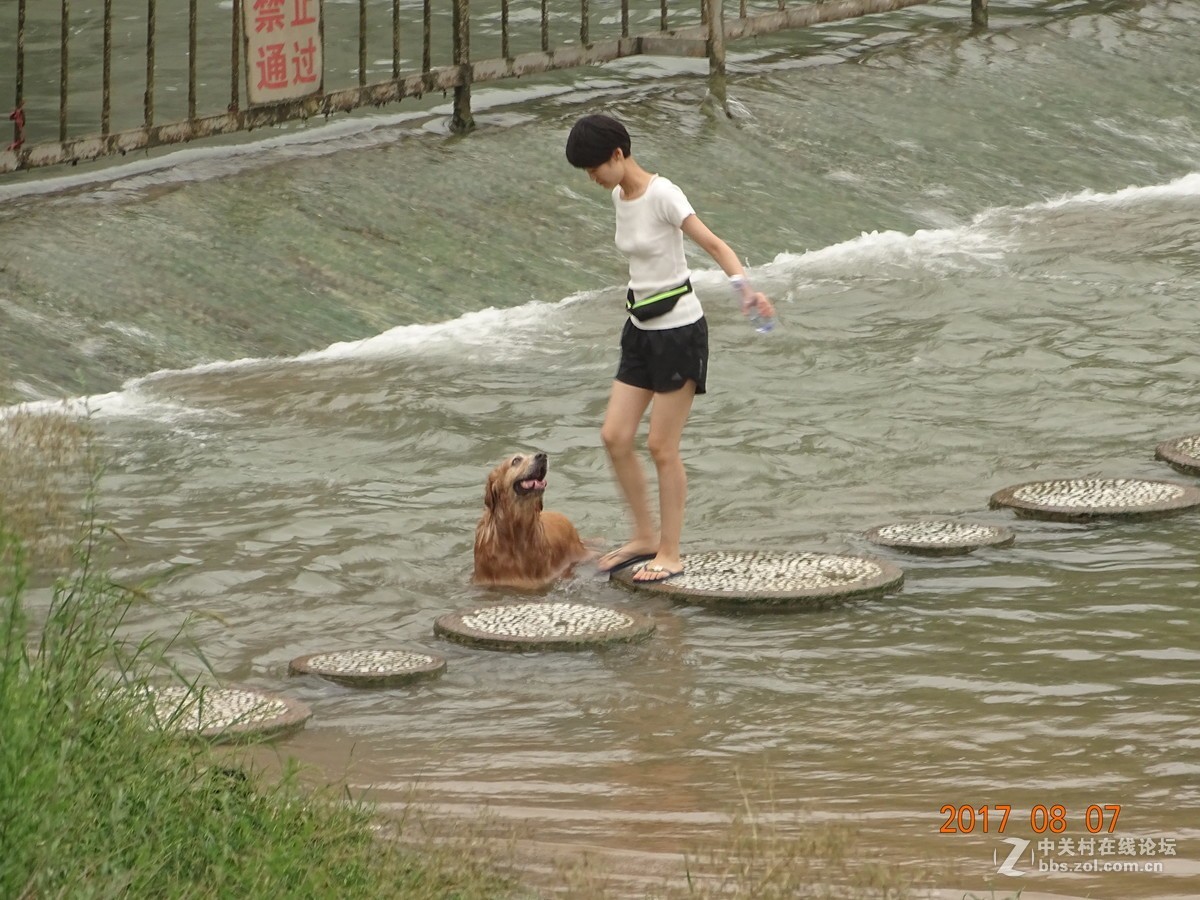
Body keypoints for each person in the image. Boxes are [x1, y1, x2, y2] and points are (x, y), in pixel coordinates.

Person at [565, 113, 775, 583]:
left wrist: (746, 291)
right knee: (615, 436)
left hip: (679, 332)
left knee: (662, 446)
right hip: (639, 328)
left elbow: (714, 244)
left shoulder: (664, 194)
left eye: (594, 167)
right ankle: (644, 536)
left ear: (618, 154)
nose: (592, 177)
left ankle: (671, 553)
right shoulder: (620, 196)